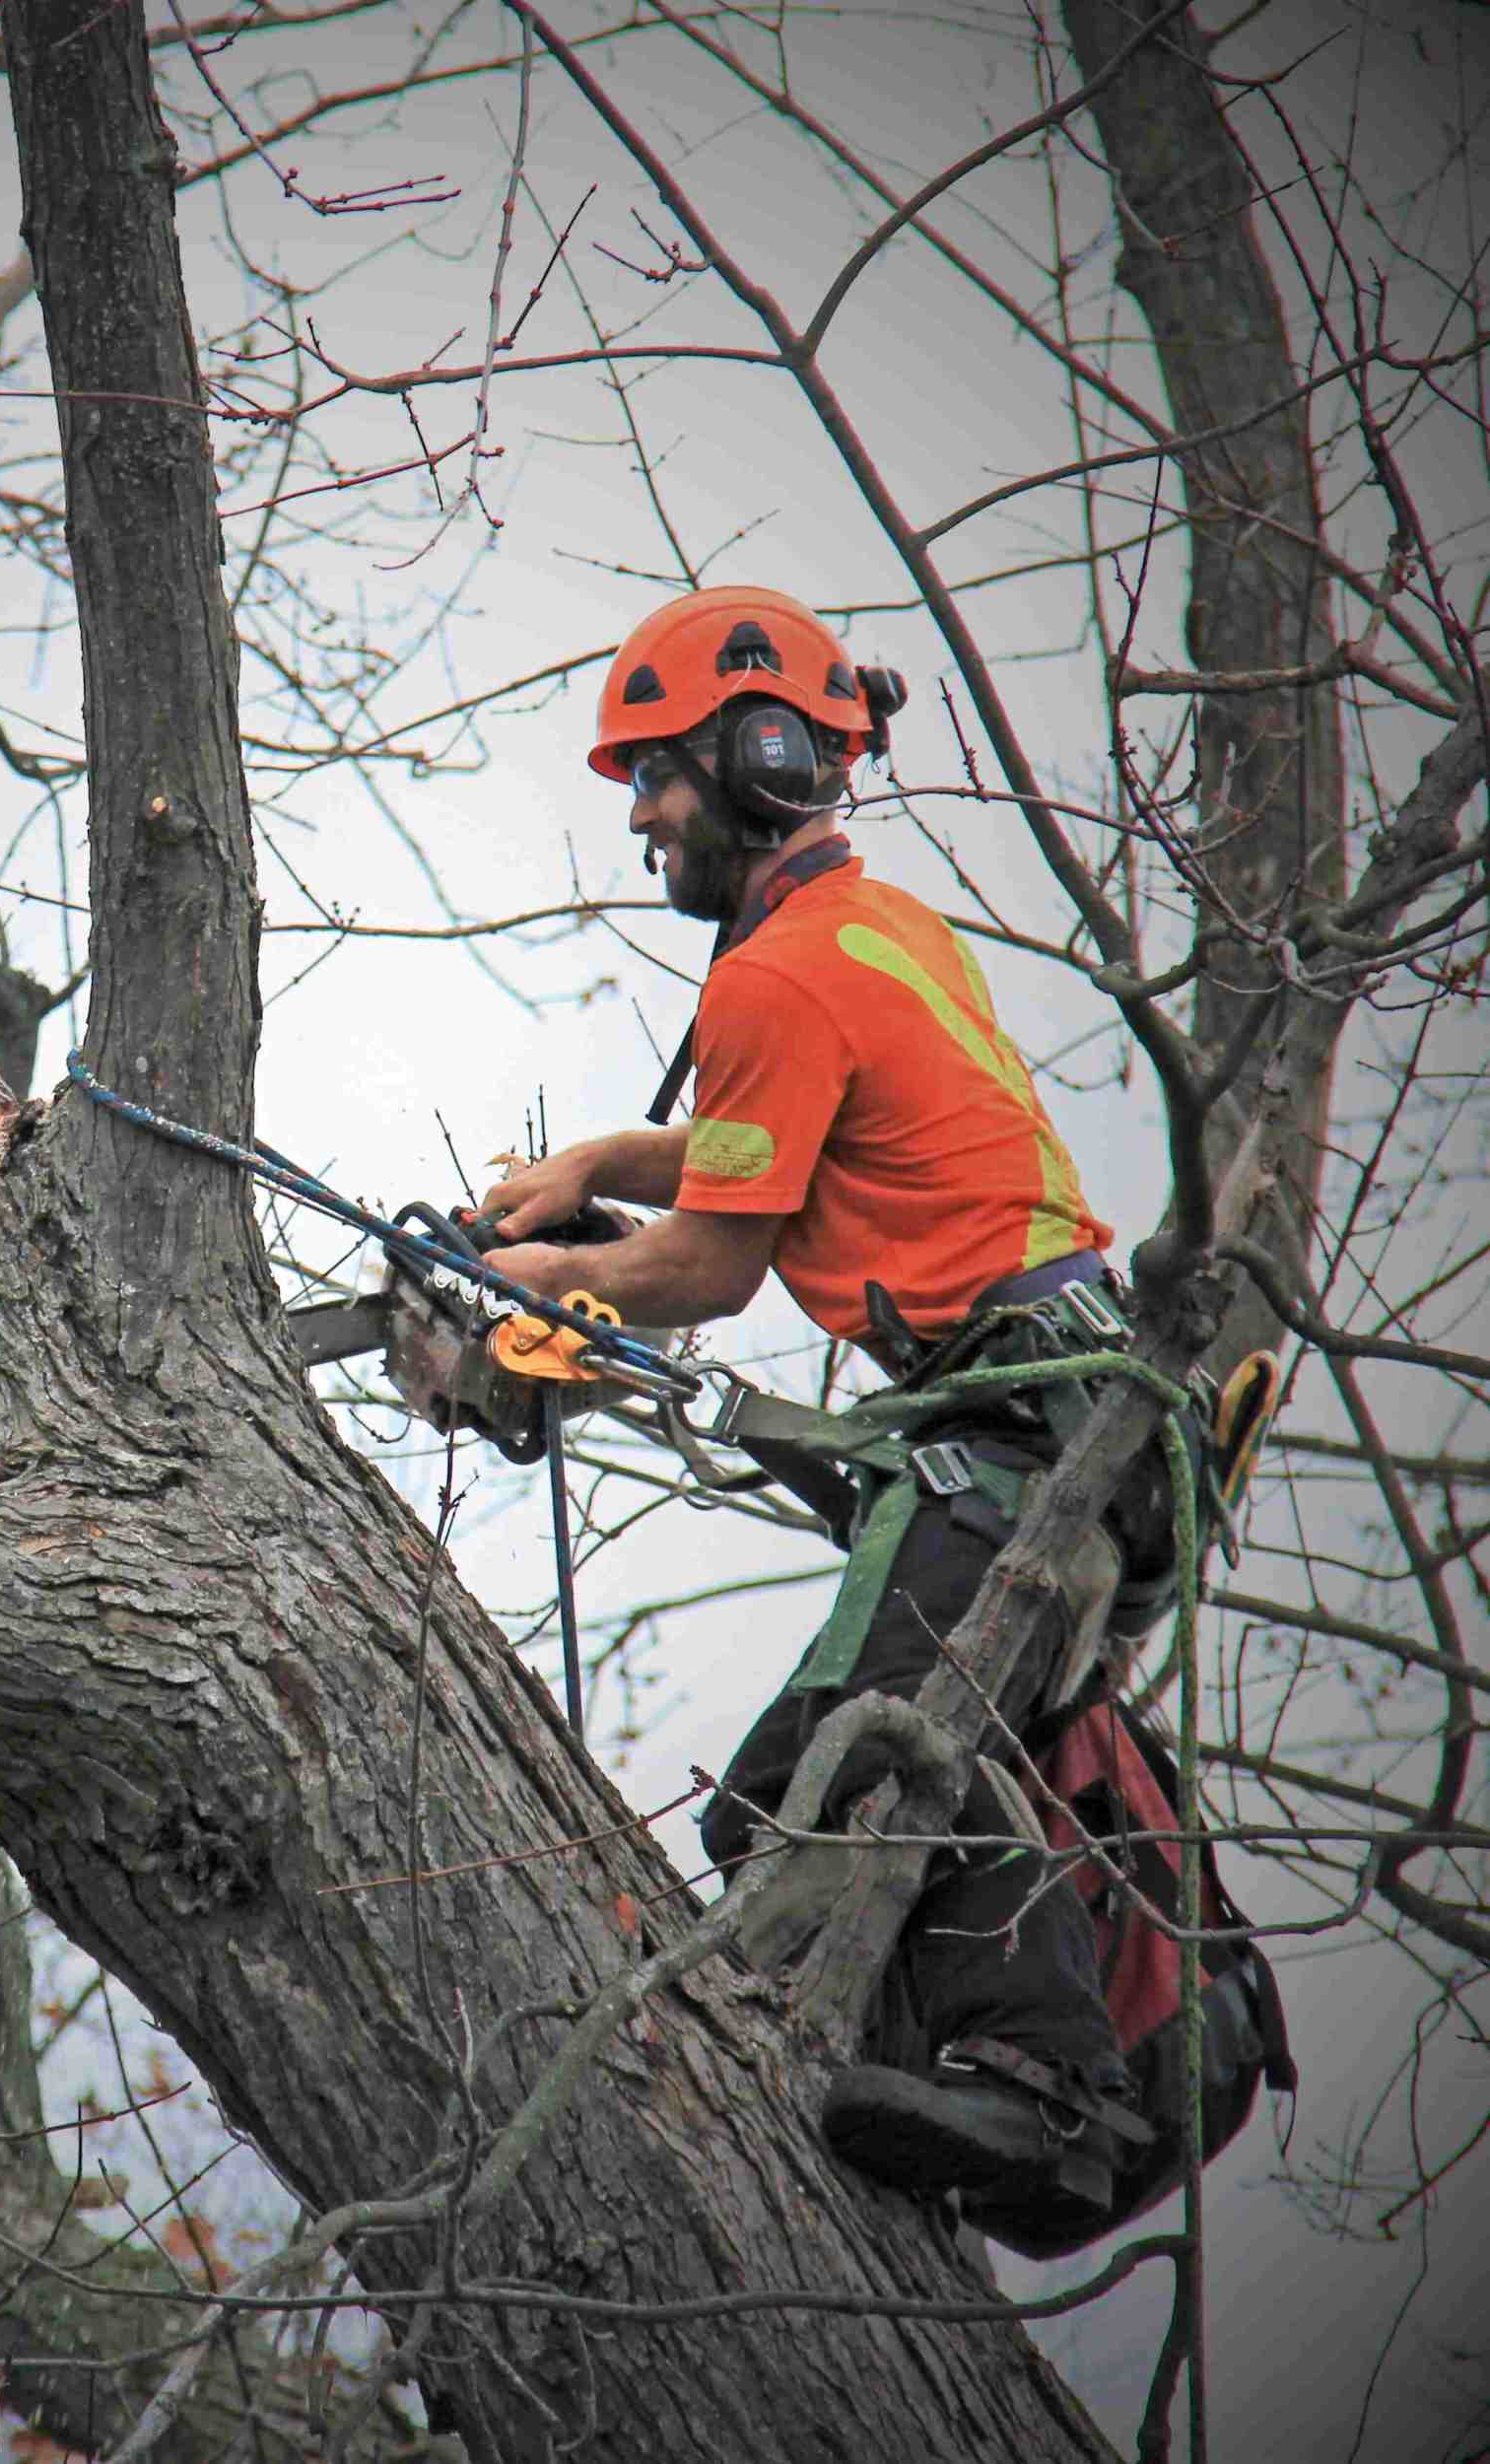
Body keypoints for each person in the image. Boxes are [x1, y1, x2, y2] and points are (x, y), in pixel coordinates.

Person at [475, 583, 1149, 2245]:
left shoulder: (775, 980)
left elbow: (711, 1263)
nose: (641, 818)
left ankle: (1045, 2099)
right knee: (888, 1764)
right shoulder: (878, 930)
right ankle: (940, 2090)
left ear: (761, 756)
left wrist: (532, 1294)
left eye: (657, 776)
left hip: (1015, 1442)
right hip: (1094, 1435)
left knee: (814, 1785)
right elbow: (770, 1145)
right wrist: (584, 1175)